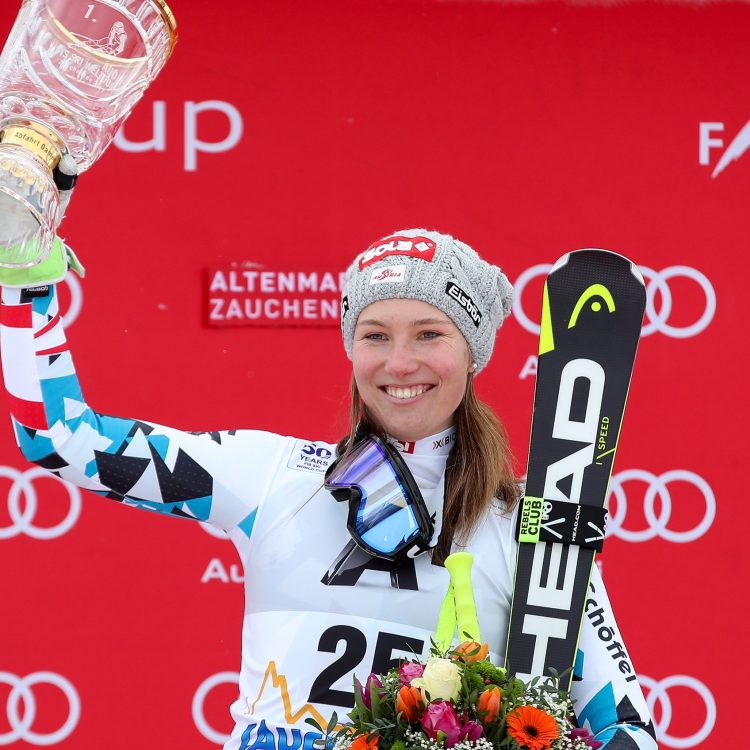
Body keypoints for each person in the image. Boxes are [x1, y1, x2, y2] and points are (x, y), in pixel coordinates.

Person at [0, 228, 657, 750]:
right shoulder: (274, 476)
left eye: (429, 335)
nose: (400, 363)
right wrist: (23, 276)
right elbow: (59, 439)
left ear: (471, 352)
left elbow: (628, 726)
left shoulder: (529, 527)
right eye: (376, 336)